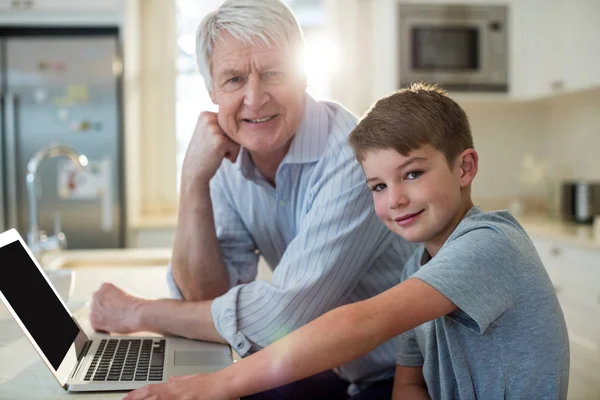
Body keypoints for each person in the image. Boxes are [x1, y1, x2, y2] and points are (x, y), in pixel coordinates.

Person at [123, 82, 570, 400]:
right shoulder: (415, 266)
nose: (395, 199)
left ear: (464, 168)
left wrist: (216, 385)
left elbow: (363, 325)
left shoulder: (489, 245)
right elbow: (410, 382)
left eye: (413, 173)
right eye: (377, 186)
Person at [90, 0, 417, 398]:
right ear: (211, 89)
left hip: (403, 375)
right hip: (332, 364)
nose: (254, 97)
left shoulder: (352, 156)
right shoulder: (225, 160)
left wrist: (138, 312)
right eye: (233, 79)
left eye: (272, 73)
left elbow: (284, 315)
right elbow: (206, 298)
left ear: (303, 75)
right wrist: (193, 179)